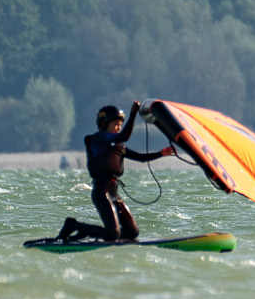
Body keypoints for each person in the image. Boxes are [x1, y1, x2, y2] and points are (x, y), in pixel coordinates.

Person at [60, 101, 173, 242]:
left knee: (132, 232)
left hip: (114, 193)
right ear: (103, 124)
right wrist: (133, 114)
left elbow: (140, 158)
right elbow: (123, 136)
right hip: (101, 192)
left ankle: (90, 232)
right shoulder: (97, 140)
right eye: (115, 125)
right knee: (112, 234)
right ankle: (74, 225)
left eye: (120, 125)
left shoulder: (119, 147)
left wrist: (161, 153)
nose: (119, 128)